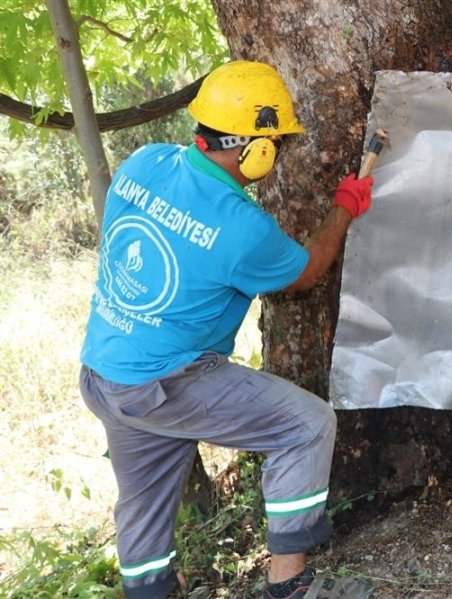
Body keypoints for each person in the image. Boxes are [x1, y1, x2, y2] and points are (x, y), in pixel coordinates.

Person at [78, 60, 372, 599]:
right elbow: (307, 274)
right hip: (168, 381)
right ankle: (290, 583)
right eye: (276, 145)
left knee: (142, 504)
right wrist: (343, 209)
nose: (278, 154)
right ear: (255, 150)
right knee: (307, 425)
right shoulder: (242, 228)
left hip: (104, 370)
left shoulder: (144, 162)